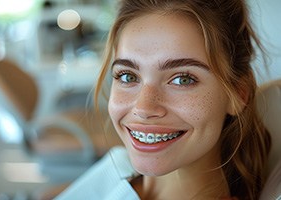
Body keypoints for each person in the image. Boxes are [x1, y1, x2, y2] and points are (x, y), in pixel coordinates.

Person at [56, 0, 271, 199]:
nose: (143, 108)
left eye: (182, 80)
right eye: (128, 76)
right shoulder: (117, 165)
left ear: (238, 94)